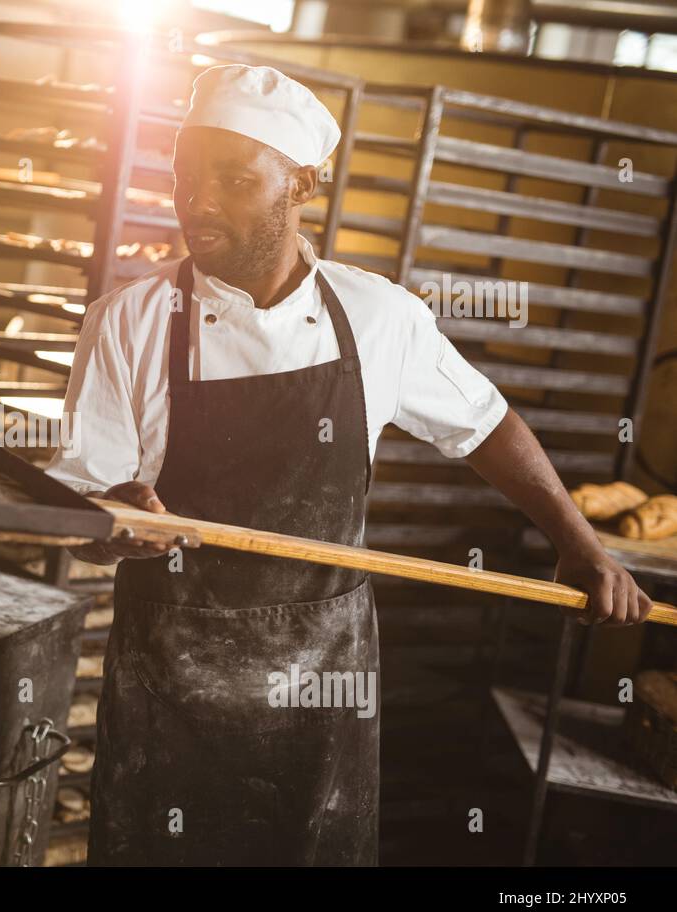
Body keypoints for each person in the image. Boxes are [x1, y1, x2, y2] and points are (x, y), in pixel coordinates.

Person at [46, 64, 652, 866]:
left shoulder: (378, 317)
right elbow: (84, 506)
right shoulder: (128, 322)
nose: (197, 201)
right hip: (171, 683)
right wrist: (112, 526)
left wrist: (582, 545)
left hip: (322, 688)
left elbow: (486, 426)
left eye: (234, 179)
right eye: (186, 176)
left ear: (302, 184)